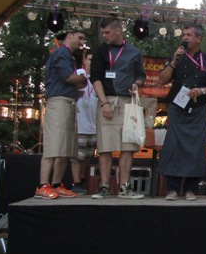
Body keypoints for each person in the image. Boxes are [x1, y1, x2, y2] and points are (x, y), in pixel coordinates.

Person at [158, 23, 206, 201]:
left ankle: (190, 189)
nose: (185, 37)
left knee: (195, 149)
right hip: (177, 109)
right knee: (174, 147)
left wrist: (202, 90)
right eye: (184, 34)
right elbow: (161, 80)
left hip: (197, 110)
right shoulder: (176, 56)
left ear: (198, 38)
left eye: (189, 35)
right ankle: (172, 189)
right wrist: (173, 62)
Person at [89, 17, 147, 199]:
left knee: (128, 146)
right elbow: (95, 77)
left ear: (118, 31)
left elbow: (141, 76)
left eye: (107, 32)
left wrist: (137, 84)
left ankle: (124, 187)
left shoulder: (134, 52)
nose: (104, 36)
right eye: (103, 33)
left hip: (128, 102)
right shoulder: (100, 51)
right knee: (105, 146)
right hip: (107, 100)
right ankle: (104, 185)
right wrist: (104, 102)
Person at [35, 29, 87, 199]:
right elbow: (69, 77)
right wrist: (83, 79)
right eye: (79, 37)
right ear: (69, 35)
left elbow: (65, 80)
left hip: (68, 102)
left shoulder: (68, 56)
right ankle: (42, 185)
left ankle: (56, 184)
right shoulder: (61, 53)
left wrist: (75, 90)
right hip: (59, 103)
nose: (81, 42)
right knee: (53, 145)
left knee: (65, 148)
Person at [69, 51, 97, 194]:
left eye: (95, 60)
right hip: (80, 123)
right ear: (85, 61)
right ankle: (76, 182)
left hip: (93, 125)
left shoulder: (98, 78)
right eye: (90, 59)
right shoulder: (79, 74)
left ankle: (82, 180)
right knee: (77, 156)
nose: (92, 62)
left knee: (87, 156)